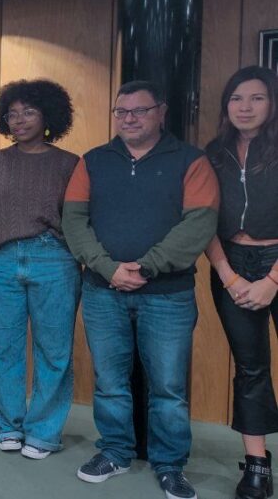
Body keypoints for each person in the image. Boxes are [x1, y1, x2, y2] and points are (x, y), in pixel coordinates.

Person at [63, 81, 219, 499]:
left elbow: (199, 226)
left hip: (168, 296)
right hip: (102, 291)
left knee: (168, 387)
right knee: (109, 381)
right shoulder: (93, 161)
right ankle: (114, 451)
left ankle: (169, 465)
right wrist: (109, 269)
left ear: (161, 112)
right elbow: (74, 223)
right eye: (121, 112)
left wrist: (146, 266)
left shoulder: (191, 160)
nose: (129, 119)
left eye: (139, 110)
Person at [0, 80, 80, 459]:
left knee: (54, 350)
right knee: (2, 346)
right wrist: (3, 243)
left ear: (48, 116)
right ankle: (7, 426)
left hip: (54, 259)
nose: (18, 120)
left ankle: (43, 433)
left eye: (28, 112)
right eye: (12, 114)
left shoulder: (69, 164)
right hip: (0, 260)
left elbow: (78, 219)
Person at [203, 66, 278, 499]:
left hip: (276, 260)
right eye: (236, 98)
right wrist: (228, 275)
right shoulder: (213, 153)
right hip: (231, 260)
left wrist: (272, 279)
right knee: (250, 367)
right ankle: (257, 464)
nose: (244, 107)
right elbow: (201, 219)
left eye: (256, 98)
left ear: (272, 104)